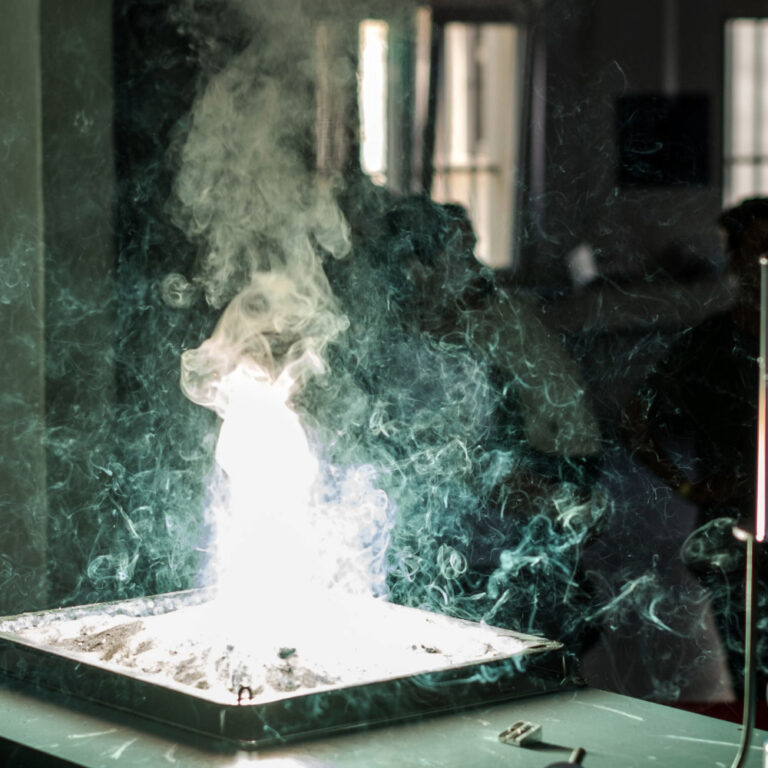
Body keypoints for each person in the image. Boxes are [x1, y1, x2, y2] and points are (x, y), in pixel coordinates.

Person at [622, 197, 768, 701]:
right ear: (735, 261)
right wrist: (685, 484)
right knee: (752, 672)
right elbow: (633, 418)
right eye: (758, 250)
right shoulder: (707, 344)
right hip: (733, 536)